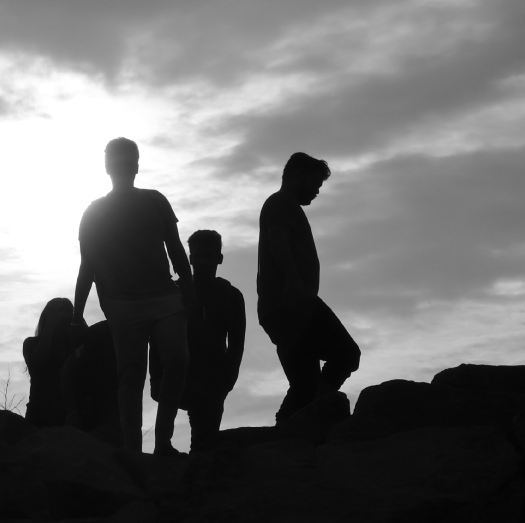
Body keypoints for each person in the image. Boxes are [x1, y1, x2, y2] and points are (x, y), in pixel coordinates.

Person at [74, 138, 192, 456]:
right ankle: (132, 450)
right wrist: (77, 314)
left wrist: (189, 288)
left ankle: (163, 441)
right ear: (108, 166)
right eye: (119, 159)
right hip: (121, 303)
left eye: (130, 159)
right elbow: (88, 266)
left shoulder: (155, 201)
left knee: (178, 360)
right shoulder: (94, 212)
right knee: (131, 374)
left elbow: (175, 248)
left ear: (137, 165)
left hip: (164, 296)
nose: (125, 165)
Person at [256, 152, 359, 422]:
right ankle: (317, 414)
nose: (316, 192)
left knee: (304, 385)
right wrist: (292, 278)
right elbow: (277, 240)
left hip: (281, 308)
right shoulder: (282, 203)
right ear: (297, 175)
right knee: (347, 354)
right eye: (315, 183)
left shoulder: (284, 205)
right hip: (293, 305)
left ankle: (288, 431)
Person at [150, 229, 246, 449]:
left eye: (208, 257)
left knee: (206, 442)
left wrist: (226, 382)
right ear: (190, 258)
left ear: (219, 258)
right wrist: (155, 377)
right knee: (203, 440)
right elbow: (156, 337)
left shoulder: (230, 296)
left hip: (213, 380)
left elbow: (236, 345)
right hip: (176, 376)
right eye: (198, 257)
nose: (202, 262)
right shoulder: (175, 292)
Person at [23, 297, 77, 427]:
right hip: (40, 413)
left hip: (69, 414)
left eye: (69, 311)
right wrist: (51, 326)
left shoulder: (74, 346)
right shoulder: (31, 343)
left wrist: (79, 323)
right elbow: (37, 363)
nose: (66, 315)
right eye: (61, 311)